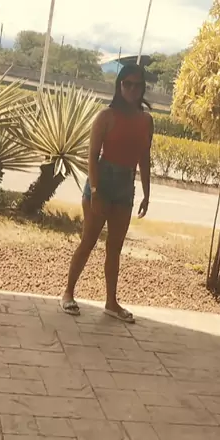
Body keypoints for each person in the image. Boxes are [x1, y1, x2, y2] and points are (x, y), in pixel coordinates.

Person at [61, 63, 154, 323]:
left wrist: (147, 193)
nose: (132, 89)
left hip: (125, 186)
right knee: (88, 241)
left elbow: (144, 158)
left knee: (115, 248)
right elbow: (92, 156)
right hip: (102, 182)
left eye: (137, 85)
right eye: (127, 84)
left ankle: (111, 303)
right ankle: (68, 293)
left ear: (143, 88)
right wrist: (95, 191)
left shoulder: (146, 121)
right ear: (119, 85)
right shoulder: (106, 116)